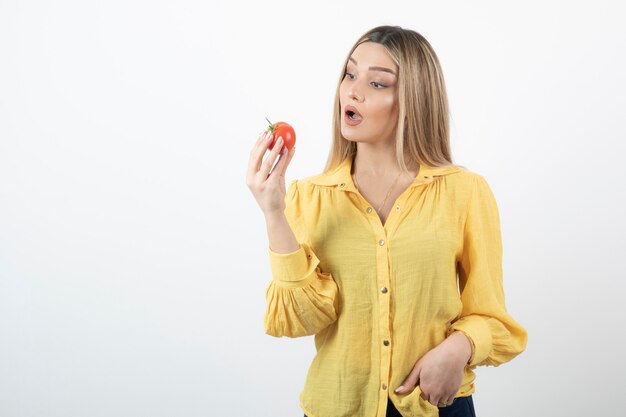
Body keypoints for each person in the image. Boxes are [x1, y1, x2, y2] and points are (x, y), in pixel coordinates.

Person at [246, 25, 528, 417]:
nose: (353, 91)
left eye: (377, 83)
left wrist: (459, 347)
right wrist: (273, 212)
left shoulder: (465, 192)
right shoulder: (309, 196)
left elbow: (492, 317)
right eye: (349, 74)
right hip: (338, 407)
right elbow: (298, 319)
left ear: (414, 99)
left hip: (435, 407)